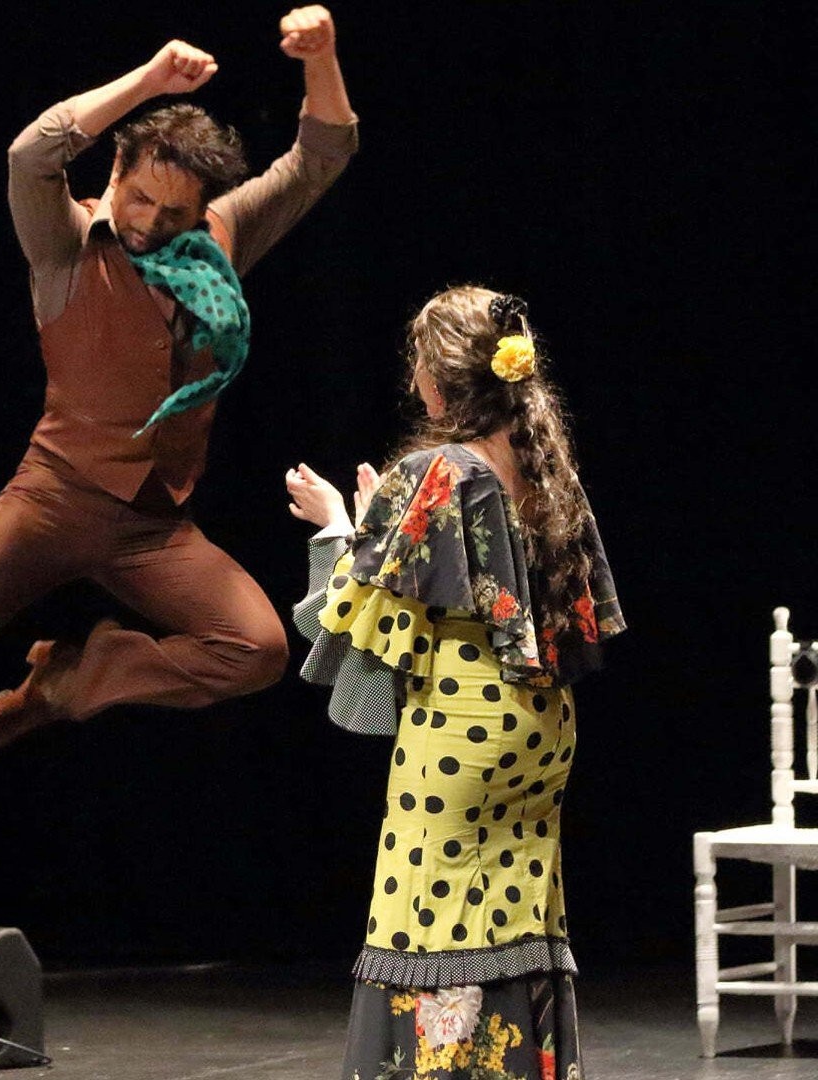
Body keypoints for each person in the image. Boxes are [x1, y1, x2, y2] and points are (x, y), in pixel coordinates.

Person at [0, 7, 359, 778]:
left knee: (255, 650)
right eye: (138, 198)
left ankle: (66, 684)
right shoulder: (65, 242)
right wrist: (151, 82)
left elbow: (320, 155)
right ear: (116, 173)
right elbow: (32, 154)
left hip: (153, 525)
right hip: (50, 499)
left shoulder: (222, 240)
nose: (149, 224)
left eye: (173, 214)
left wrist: (320, 56)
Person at [284, 287, 623, 1080]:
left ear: (438, 381)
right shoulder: (547, 466)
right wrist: (383, 530)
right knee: (514, 911)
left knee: (422, 920)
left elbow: (351, 623)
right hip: (542, 728)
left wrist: (340, 528)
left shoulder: (437, 470)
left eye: (417, 367)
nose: (412, 384)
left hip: (461, 731)